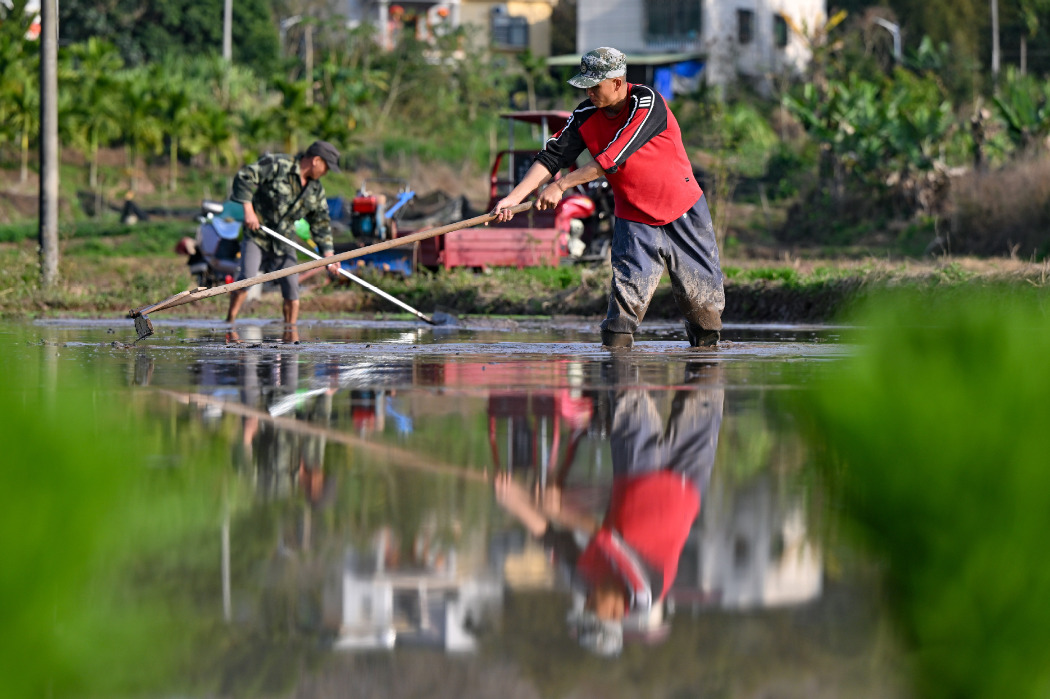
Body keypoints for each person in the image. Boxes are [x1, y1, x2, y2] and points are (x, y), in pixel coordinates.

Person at [492, 47, 725, 349]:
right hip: (634, 219)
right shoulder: (585, 115)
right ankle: (618, 385)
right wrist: (514, 197)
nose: (589, 92)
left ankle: (704, 367)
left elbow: (612, 157)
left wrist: (561, 186)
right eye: (585, 86)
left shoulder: (647, 103)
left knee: (704, 317)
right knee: (618, 326)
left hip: (683, 212)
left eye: (595, 86)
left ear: (617, 82)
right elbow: (552, 157)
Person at [493, 360, 724, 656]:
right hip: (686, 484)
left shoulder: (585, 582)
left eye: (584, 607)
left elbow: (553, 539)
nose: (586, 602)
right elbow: (610, 541)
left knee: (627, 383)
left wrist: (514, 501)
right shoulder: (645, 592)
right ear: (616, 615)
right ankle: (704, 329)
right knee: (707, 385)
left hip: (635, 474)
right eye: (592, 609)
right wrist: (560, 509)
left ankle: (623, 326)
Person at [225, 140, 342, 341]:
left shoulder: (315, 190)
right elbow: (244, 176)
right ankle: (229, 324)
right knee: (247, 277)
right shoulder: (278, 164)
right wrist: (248, 210)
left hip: (284, 239)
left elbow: (321, 222)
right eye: (326, 168)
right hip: (258, 234)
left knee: (291, 284)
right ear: (316, 161)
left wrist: (329, 255)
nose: (326, 173)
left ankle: (290, 334)